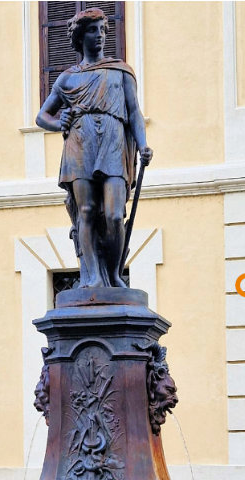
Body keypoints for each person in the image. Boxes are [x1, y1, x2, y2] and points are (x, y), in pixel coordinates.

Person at [36, 8, 152, 288]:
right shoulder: (67, 79)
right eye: (92, 30)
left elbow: (134, 112)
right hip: (79, 143)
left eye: (102, 30)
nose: (99, 36)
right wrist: (58, 122)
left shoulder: (120, 71)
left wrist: (143, 143)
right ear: (79, 37)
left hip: (113, 142)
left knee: (114, 214)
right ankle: (92, 276)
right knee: (85, 210)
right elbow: (42, 117)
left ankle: (113, 274)